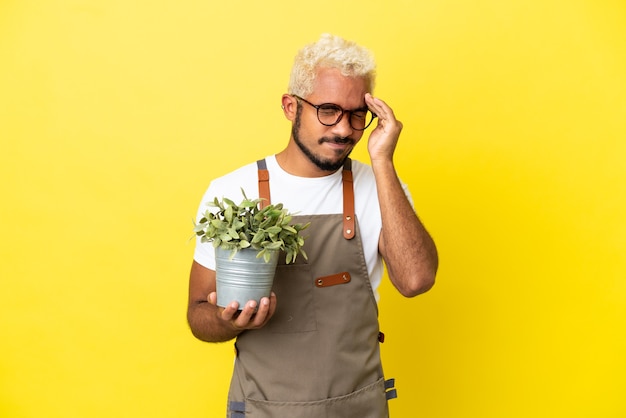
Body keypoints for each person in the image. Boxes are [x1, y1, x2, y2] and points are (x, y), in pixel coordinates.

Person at [187, 33, 438, 417]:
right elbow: (196, 314)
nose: (343, 129)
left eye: (357, 114)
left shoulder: (380, 188)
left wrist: (383, 162)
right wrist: (226, 321)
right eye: (328, 110)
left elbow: (416, 280)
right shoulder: (234, 190)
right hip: (263, 409)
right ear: (291, 107)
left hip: (360, 408)